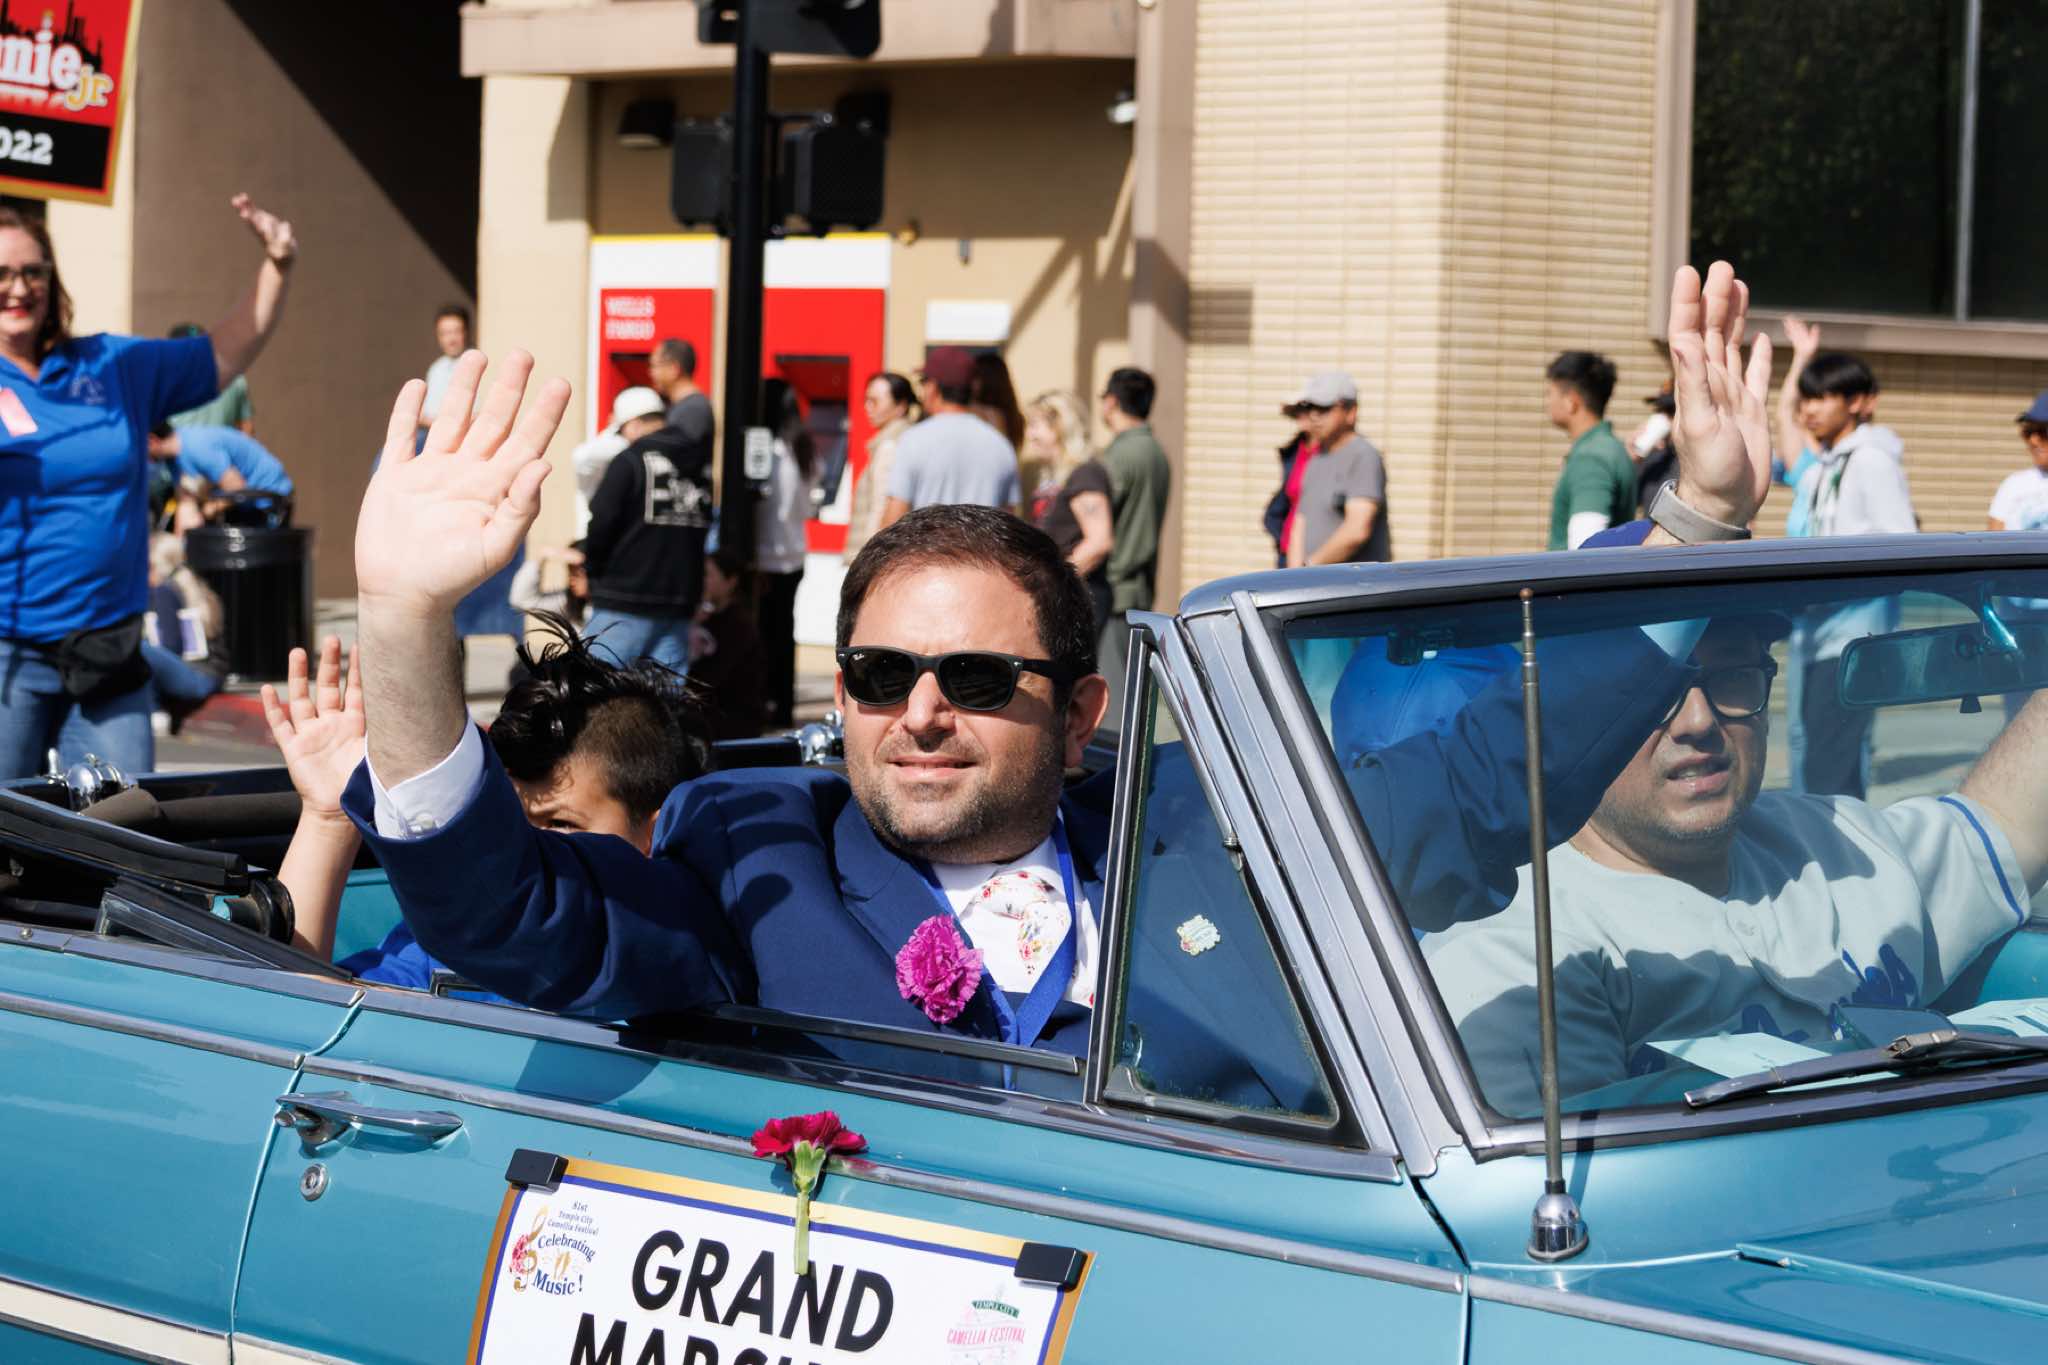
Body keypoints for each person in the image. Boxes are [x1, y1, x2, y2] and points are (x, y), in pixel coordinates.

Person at [332, 261, 1781, 1064]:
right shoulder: (749, 858)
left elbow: (1492, 772)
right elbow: (510, 914)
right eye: (878, 674)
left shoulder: (1218, 836)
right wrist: (401, 620)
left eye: (973, 680)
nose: (917, 713)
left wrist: (1696, 524)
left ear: (1082, 713)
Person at [1424, 613, 2046, 1115]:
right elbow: (1576, 1198)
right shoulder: (1514, 945)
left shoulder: (1835, 841)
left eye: (1730, 677)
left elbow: (2010, 818)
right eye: (1651, 692)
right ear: (1565, 719)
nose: (1698, 723)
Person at [0, 194, 296, 779]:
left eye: (33, 271)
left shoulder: (112, 365)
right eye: (2, 273)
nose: (19, 288)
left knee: (124, 819)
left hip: (110, 649)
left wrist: (278, 265)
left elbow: (223, 352)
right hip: (9, 651)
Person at [264, 623, 713, 983]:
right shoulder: (467, 934)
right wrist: (328, 817)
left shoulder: (694, 958)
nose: (529, 845)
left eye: (561, 823)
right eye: (511, 820)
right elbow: (304, 1010)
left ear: (656, 833)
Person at [1773, 327, 1917, 799]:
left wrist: (1830, 585)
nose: (1810, 410)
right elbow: (1787, 426)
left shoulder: (1871, 460)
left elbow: (1902, 547)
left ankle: (1841, 846)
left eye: (1823, 398)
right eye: (1807, 399)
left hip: (1856, 638)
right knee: (1823, 760)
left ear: (1856, 402)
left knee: (1831, 767)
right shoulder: (1829, 465)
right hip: (1821, 634)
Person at [583, 388, 712, 672]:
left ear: (634, 424)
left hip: (624, 598)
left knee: (597, 685)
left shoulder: (629, 460)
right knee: (664, 694)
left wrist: (594, 572)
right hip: (679, 600)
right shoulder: (699, 464)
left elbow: (602, 520)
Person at [1096, 367, 1171, 713]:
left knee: (1111, 704)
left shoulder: (1120, 456)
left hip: (1114, 588)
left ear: (1111, 402)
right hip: (1137, 587)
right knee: (1131, 693)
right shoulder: (1155, 451)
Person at [878, 346, 1019, 528]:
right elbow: (1009, 521)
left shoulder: (913, 440)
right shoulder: (1000, 445)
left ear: (933, 388)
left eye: (923, 382)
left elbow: (894, 518)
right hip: (983, 546)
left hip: (928, 545)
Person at [757, 377, 818, 728]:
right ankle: (783, 705)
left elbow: (765, 504)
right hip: (795, 553)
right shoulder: (804, 446)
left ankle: (766, 701)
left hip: (767, 554)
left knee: (763, 634)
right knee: (784, 632)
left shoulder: (770, 450)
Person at [1027, 389, 1113, 635]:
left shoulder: (1085, 473)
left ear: (1060, 427)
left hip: (1078, 596)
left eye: (1035, 426)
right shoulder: (1057, 476)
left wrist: (1055, 580)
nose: (1030, 435)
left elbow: (1099, 542)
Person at [1285, 371, 1390, 567]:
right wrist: (1294, 575)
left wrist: (1311, 567)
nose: (1314, 416)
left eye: (1324, 408)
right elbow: (1300, 522)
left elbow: (1357, 530)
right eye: (1310, 407)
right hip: (1314, 580)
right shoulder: (1317, 457)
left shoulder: (1363, 456)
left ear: (1351, 412)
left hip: (1352, 583)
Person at [1544, 351, 1635, 550]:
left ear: (1571, 401)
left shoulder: (1591, 457)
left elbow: (1585, 550)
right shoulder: (1611, 448)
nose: (1547, 402)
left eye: (1550, 394)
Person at [143, 533, 228, 734]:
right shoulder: (195, 586)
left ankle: (155, 713)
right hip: (212, 675)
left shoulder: (165, 591)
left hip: (195, 678)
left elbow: (170, 646)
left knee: (140, 649)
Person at [689, 546, 768, 740]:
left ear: (731, 582)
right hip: (710, 712)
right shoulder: (706, 616)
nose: (701, 581)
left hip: (731, 722)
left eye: (708, 575)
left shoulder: (738, 625)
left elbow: (710, 679)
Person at [571, 385, 665, 539]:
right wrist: (636, 442)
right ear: (634, 426)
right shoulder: (602, 453)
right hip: (600, 542)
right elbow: (582, 457)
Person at [146, 423, 294, 521]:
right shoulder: (172, 460)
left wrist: (210, 509)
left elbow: (236, 487)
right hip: (245, 501)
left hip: (270, 496)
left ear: (151, 440)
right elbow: (186, 503)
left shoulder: (197, 447)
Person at [844, 371, 916, 558]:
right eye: (866, 400)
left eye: (875, 401)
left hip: (875, 555)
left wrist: (870, 560)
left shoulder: (890, 446)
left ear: (900, 406)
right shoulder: (906, 439)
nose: (867, 407)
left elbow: (881, 509)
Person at [165, 323, 253, 433]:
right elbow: (246, 429)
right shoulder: (235, 379)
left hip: (176, 443)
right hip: (219, 444)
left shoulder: (165, 382)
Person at [1263, 400, 1318, 568]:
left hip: (1316, 549)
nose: (1301, 417)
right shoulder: (1295, 451)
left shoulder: (1333, 454)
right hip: (1288, 549)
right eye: (1298, 413)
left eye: (1306, 411)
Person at [1987, 390, 2048, 535]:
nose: (2033, 441)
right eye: (2029, 431)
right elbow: (1993, 542)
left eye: (2043, 431)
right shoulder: (2013, 485)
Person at [507, 542, 589, 631]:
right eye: (570, 572)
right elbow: (522, 601)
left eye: (578, 573)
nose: (572, 580)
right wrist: (541, 557)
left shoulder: (599, 606)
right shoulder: (569, 602)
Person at [419, 303, 469, 431]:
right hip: (431, 432)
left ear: (465, 332)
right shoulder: (436, 369)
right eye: (445, 333)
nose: (451, 339)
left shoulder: (475, 364)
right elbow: (425, 413)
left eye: (456, 332)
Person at [1631, 382, 1677, 517]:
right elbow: (1628, 500)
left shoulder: (1698, 461)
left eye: (1670, 412)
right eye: (1659, 411)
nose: (1663, 419)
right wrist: (1631, 460)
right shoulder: (1654, 457)